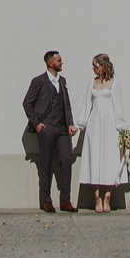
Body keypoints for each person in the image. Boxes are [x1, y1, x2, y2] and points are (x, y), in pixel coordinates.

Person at [21, 48, 77, 213]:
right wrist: (36, 124)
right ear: (50, 63)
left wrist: (70, 124)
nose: (62, 63)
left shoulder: (62, 81)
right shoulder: (39, 81)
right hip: (46, 128)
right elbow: (27, 103)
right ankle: (46, 200)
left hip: (61, 129)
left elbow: (66, 105)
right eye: (59, 60)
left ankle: (65, 201)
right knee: (45, 164)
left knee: (66, 162)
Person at [76, 52, 128, 212]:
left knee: (108, 159)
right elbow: (86, 105)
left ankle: (107, 197)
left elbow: (118, 106)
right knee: (95, 158)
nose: (93, 69)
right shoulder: (91, 82)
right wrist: (79, 125)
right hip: (94, 125)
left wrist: (122, 128)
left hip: (109, 125)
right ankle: (97, 198)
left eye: (96, 66)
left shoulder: (115, 82)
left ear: (103, 66)